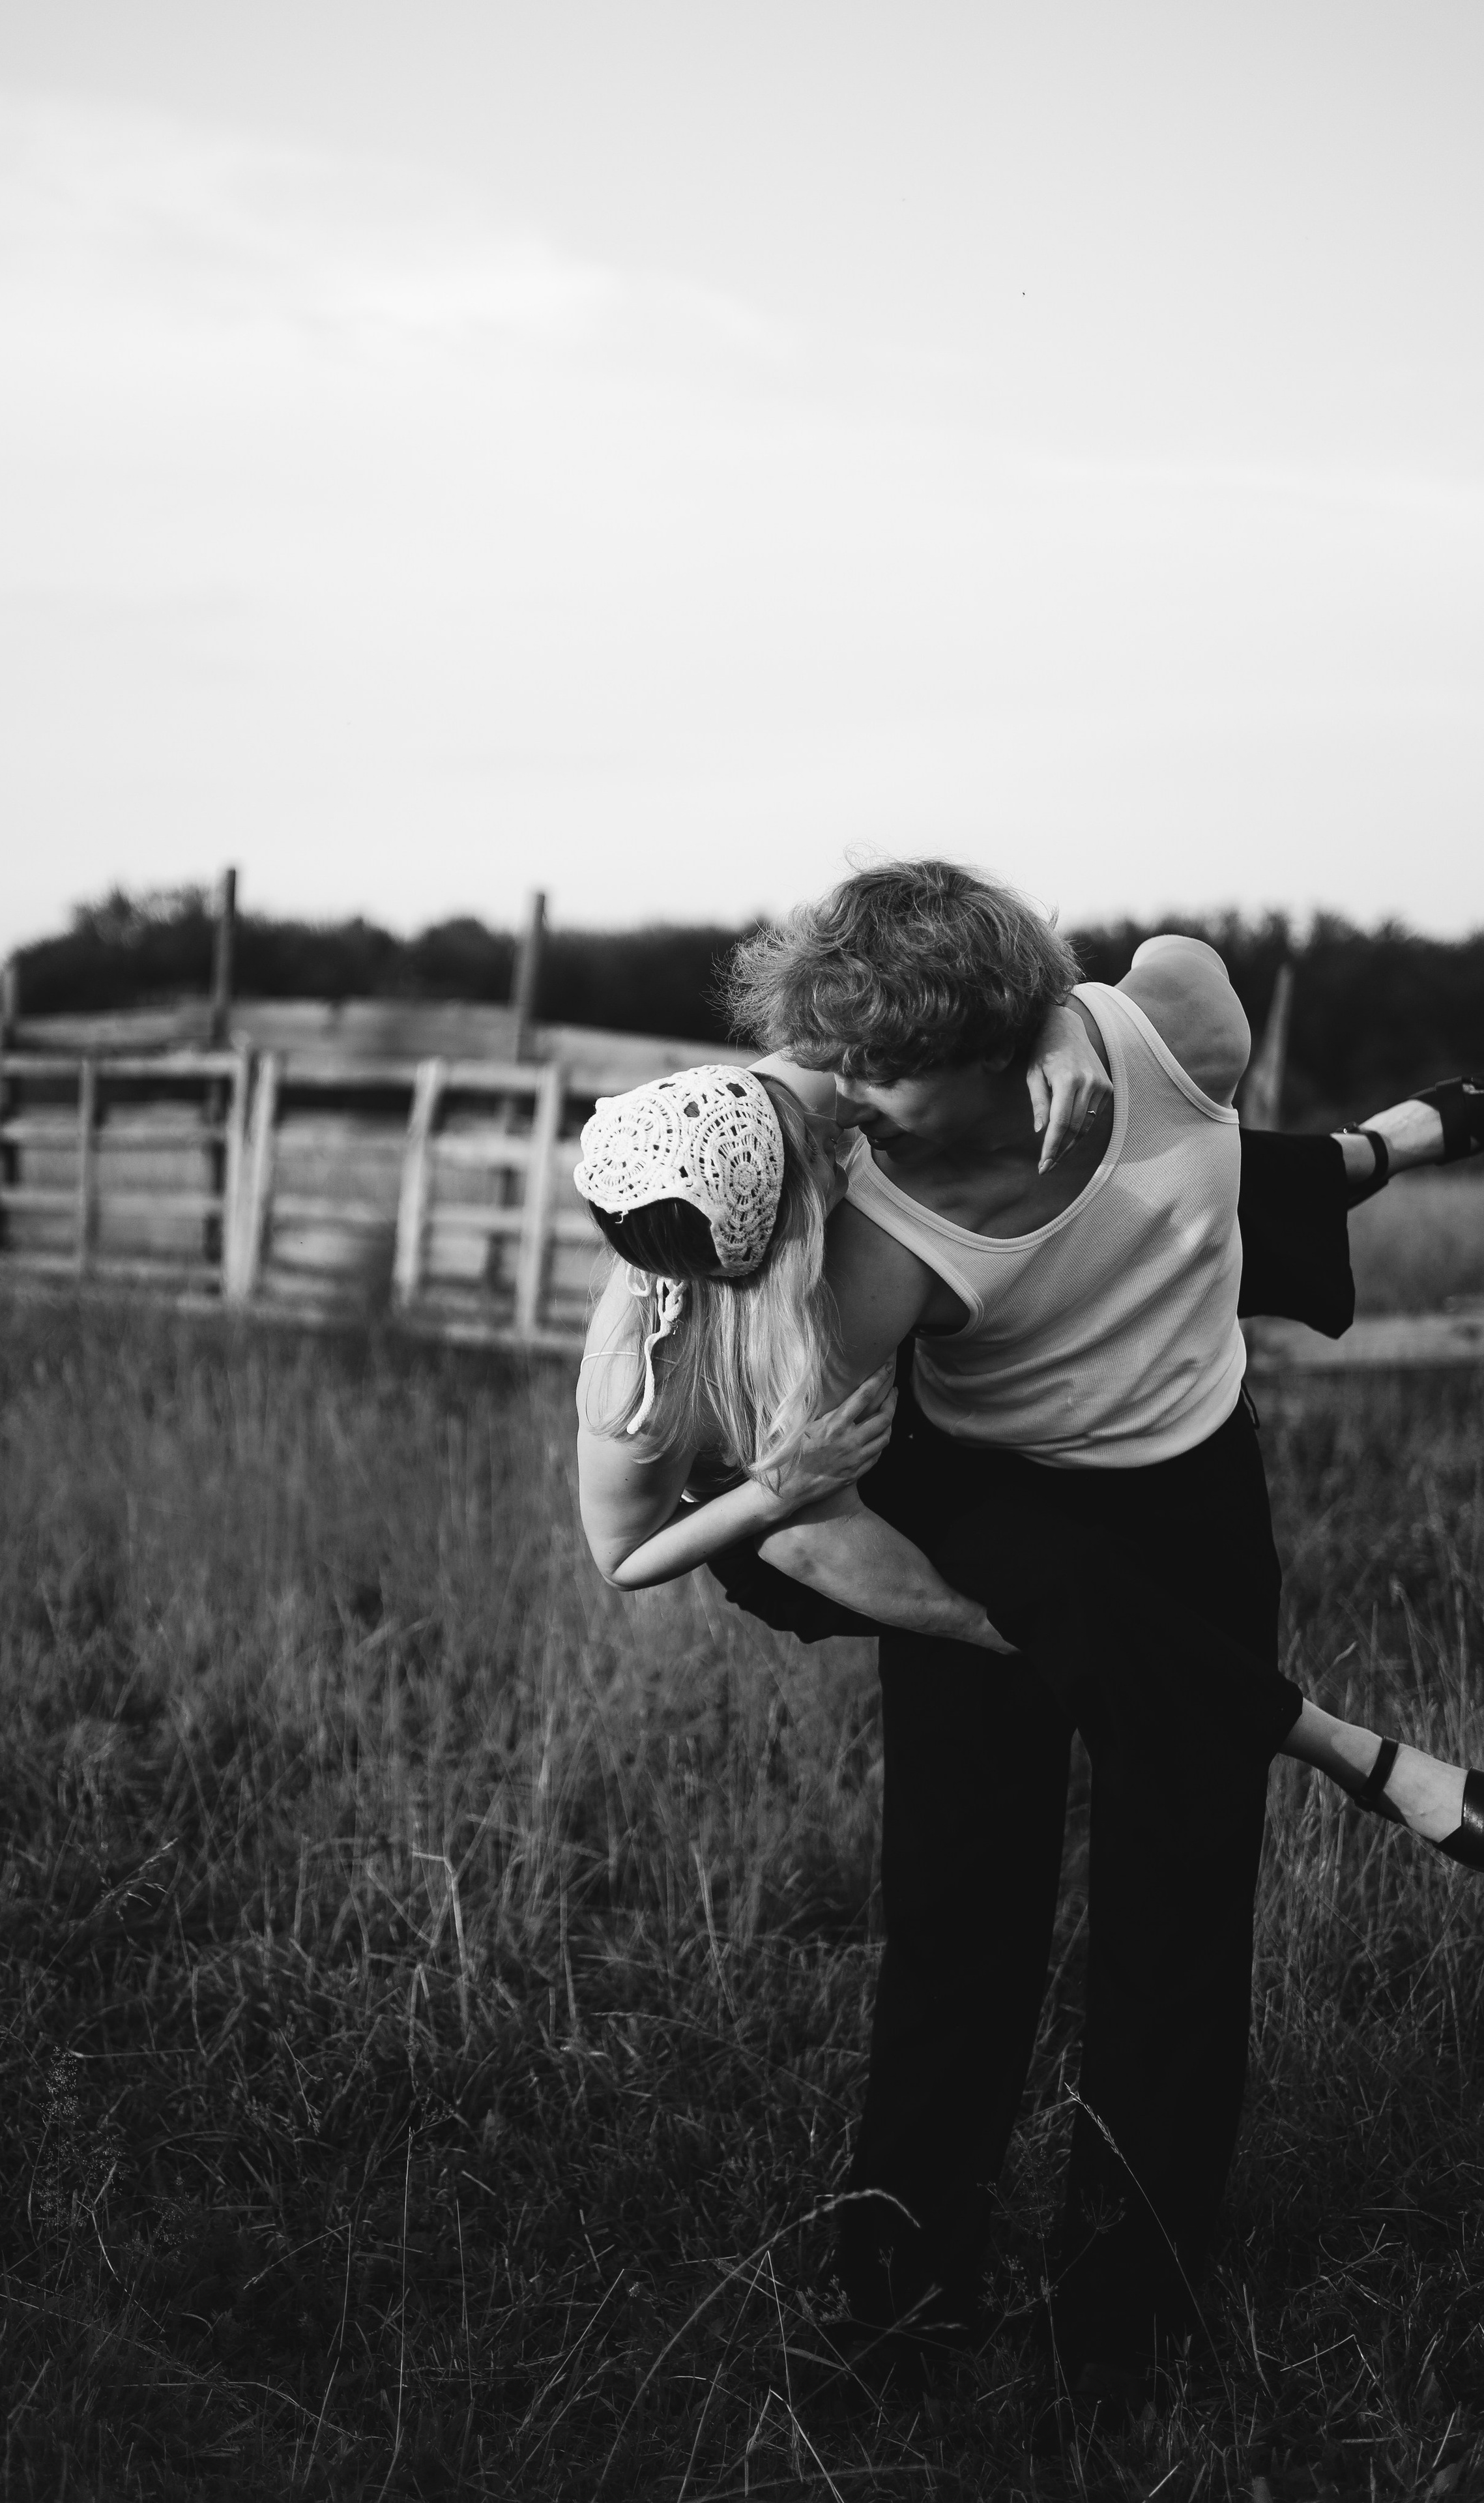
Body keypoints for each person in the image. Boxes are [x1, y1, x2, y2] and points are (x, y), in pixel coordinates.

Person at [572, 867, 1483, 2392]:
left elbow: (1151, 1017)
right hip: (988, 1523)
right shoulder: (864, 1256)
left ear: (1000, 1043)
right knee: (956, 1926)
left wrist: (1073, 1006)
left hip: (1194, 1502)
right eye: (833, 1061)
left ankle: (1116, 2337)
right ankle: (893, 2303)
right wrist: (1023, 1634)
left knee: (1178, 1930)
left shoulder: (1169, 1018)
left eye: (877, 1068)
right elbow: (795, 1505)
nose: (836, 1097)